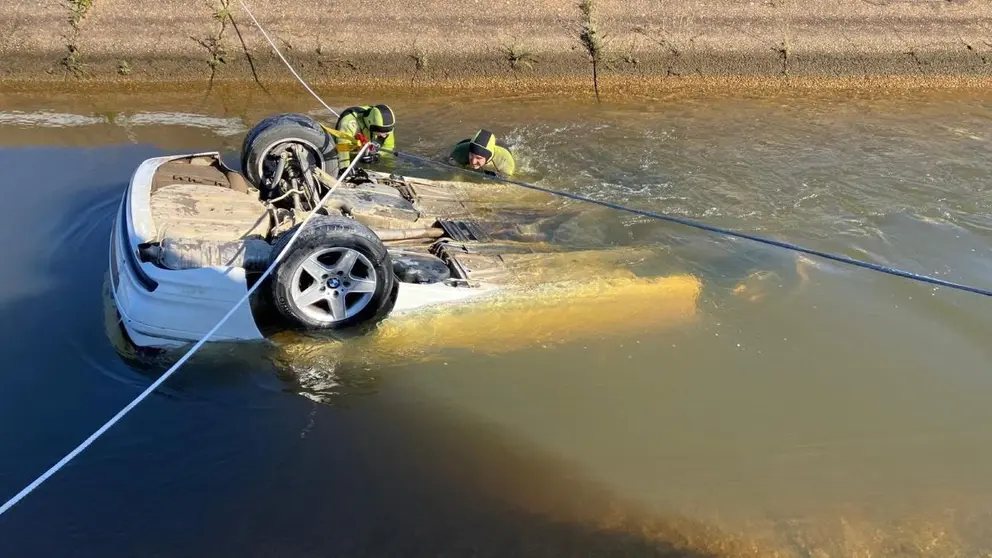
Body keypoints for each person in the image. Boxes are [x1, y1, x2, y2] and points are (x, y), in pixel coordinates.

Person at [332, 104, 396, 173]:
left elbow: (388, 147)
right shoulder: (348, 124)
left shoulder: (387, 127)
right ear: (370, 123)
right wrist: (344, 168)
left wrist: (377, 155)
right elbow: (342, 148)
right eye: (381, 131)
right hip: (348, 147)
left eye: (386, 132)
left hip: (364, 145)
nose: (384, 135)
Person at [449, 129, 516, 178]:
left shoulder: (504, 160)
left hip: (501, 148)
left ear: (487, 157)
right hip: (467, 143)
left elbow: (506, 182)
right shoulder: (459, 152)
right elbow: (453, 172)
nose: (473, 161)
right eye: (471, 155)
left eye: (478, 158)